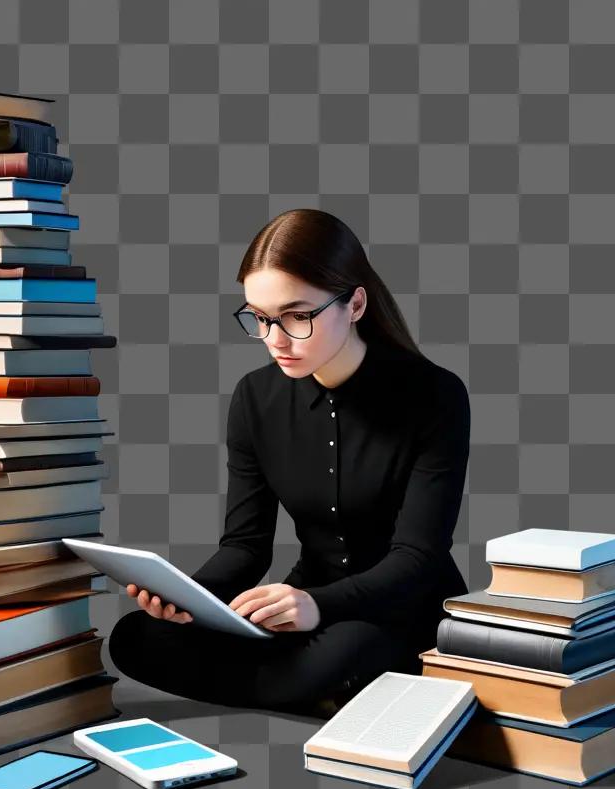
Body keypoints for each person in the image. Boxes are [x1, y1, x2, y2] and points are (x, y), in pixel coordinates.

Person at [107, 208, 471, 717]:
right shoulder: (255, 397)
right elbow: (245, 547)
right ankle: (321, 694)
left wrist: (320, 606)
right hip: (299, 607)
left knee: (348, 652)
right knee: (135, 637)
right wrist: (189, 598)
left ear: (356, 303)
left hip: (400, 609)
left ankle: (323, 685)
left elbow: (418, 557)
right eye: (259, 318)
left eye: (298, 316)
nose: (276, 339)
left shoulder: (436, 395)